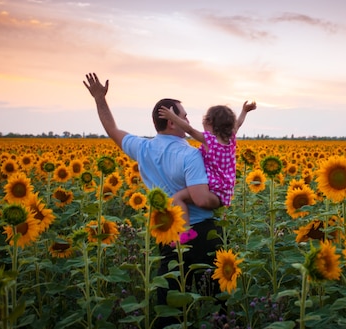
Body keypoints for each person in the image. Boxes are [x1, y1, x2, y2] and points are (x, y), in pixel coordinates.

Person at [83, 72, 222, 325]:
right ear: (171, 121)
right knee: (217, 304)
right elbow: (203, 200)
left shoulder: (143, 148)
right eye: (184, 115)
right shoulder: (191, 156)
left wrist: (99, 99)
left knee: (169, 306)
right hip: (200, 233)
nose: (188, 119)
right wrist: (220, 200)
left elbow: (112, 129)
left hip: (168, 234)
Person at [158, 101, 256, 240]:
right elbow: (238, 123)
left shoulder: (209, 140)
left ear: (209, 122)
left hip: (212, 188)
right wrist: (244, 111)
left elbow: (190, 130)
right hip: (225, 190)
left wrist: (173, 117)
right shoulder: (230, 138)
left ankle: (185, 233)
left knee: (177, 198)